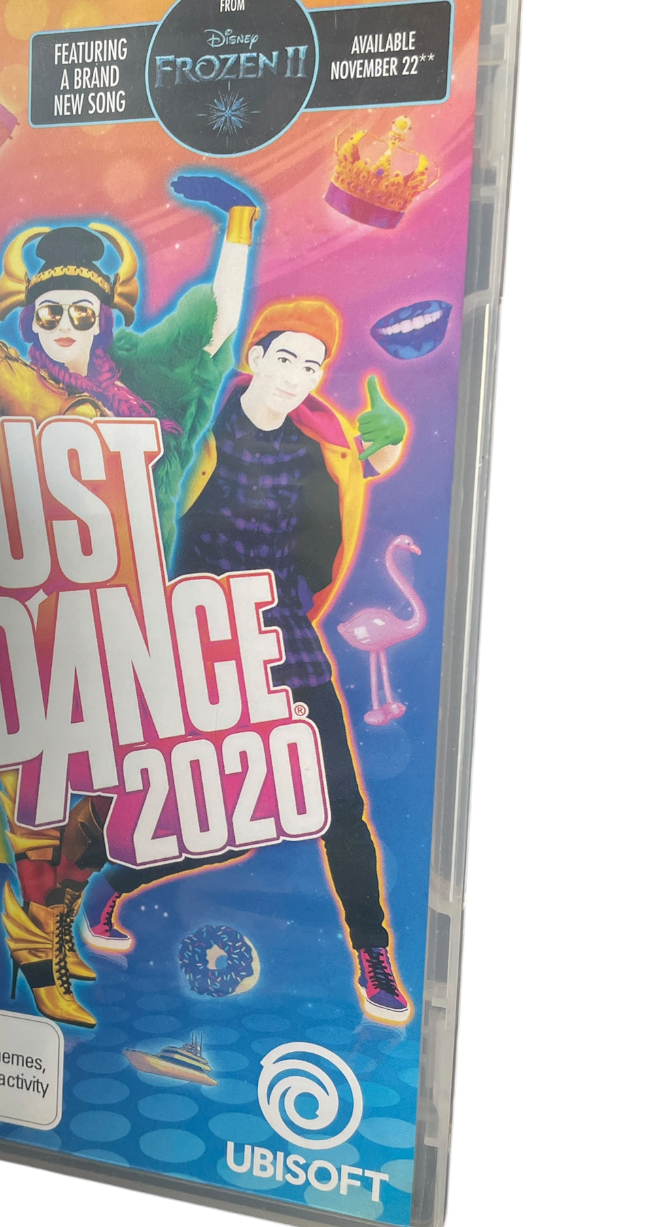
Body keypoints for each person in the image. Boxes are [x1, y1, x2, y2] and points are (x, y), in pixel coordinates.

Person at [0, 167, 260, 1026]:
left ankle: (58, 924)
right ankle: (35, 950)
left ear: (105, 319)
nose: (67, 329)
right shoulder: (17, 384)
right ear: (32, 319)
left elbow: (216, 328)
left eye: (82, 315)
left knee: (103, 802)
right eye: (51, 316)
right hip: (44, 617)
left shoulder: (146, 390)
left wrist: (237, 225)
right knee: (42, 797)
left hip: (130, 622)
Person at [78, 297, 418, 1025]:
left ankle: (373, 955)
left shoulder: (316, 446)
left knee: (339, 805)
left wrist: (384, 450)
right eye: (285, 357)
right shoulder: (200, 421)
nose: (296, 376)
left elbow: (354, 475)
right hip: (199, 640)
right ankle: (113, 880)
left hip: (285, 637)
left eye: (312, 365)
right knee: (221, 817)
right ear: (257, 357)